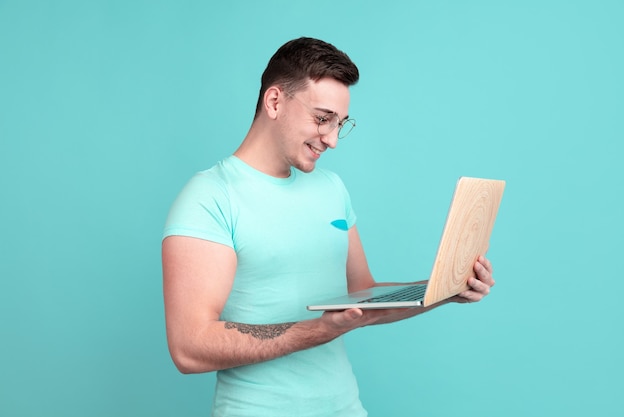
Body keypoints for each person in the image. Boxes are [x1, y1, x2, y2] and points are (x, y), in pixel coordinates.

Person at [162, 37, 495, 417]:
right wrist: (317, 331)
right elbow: (188, 347)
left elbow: (362, 297)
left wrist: (444, 289)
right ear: (274, 102)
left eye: (340, 124)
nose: (333, 140)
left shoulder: (331, 188)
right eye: (322, 119)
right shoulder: (209, 196)